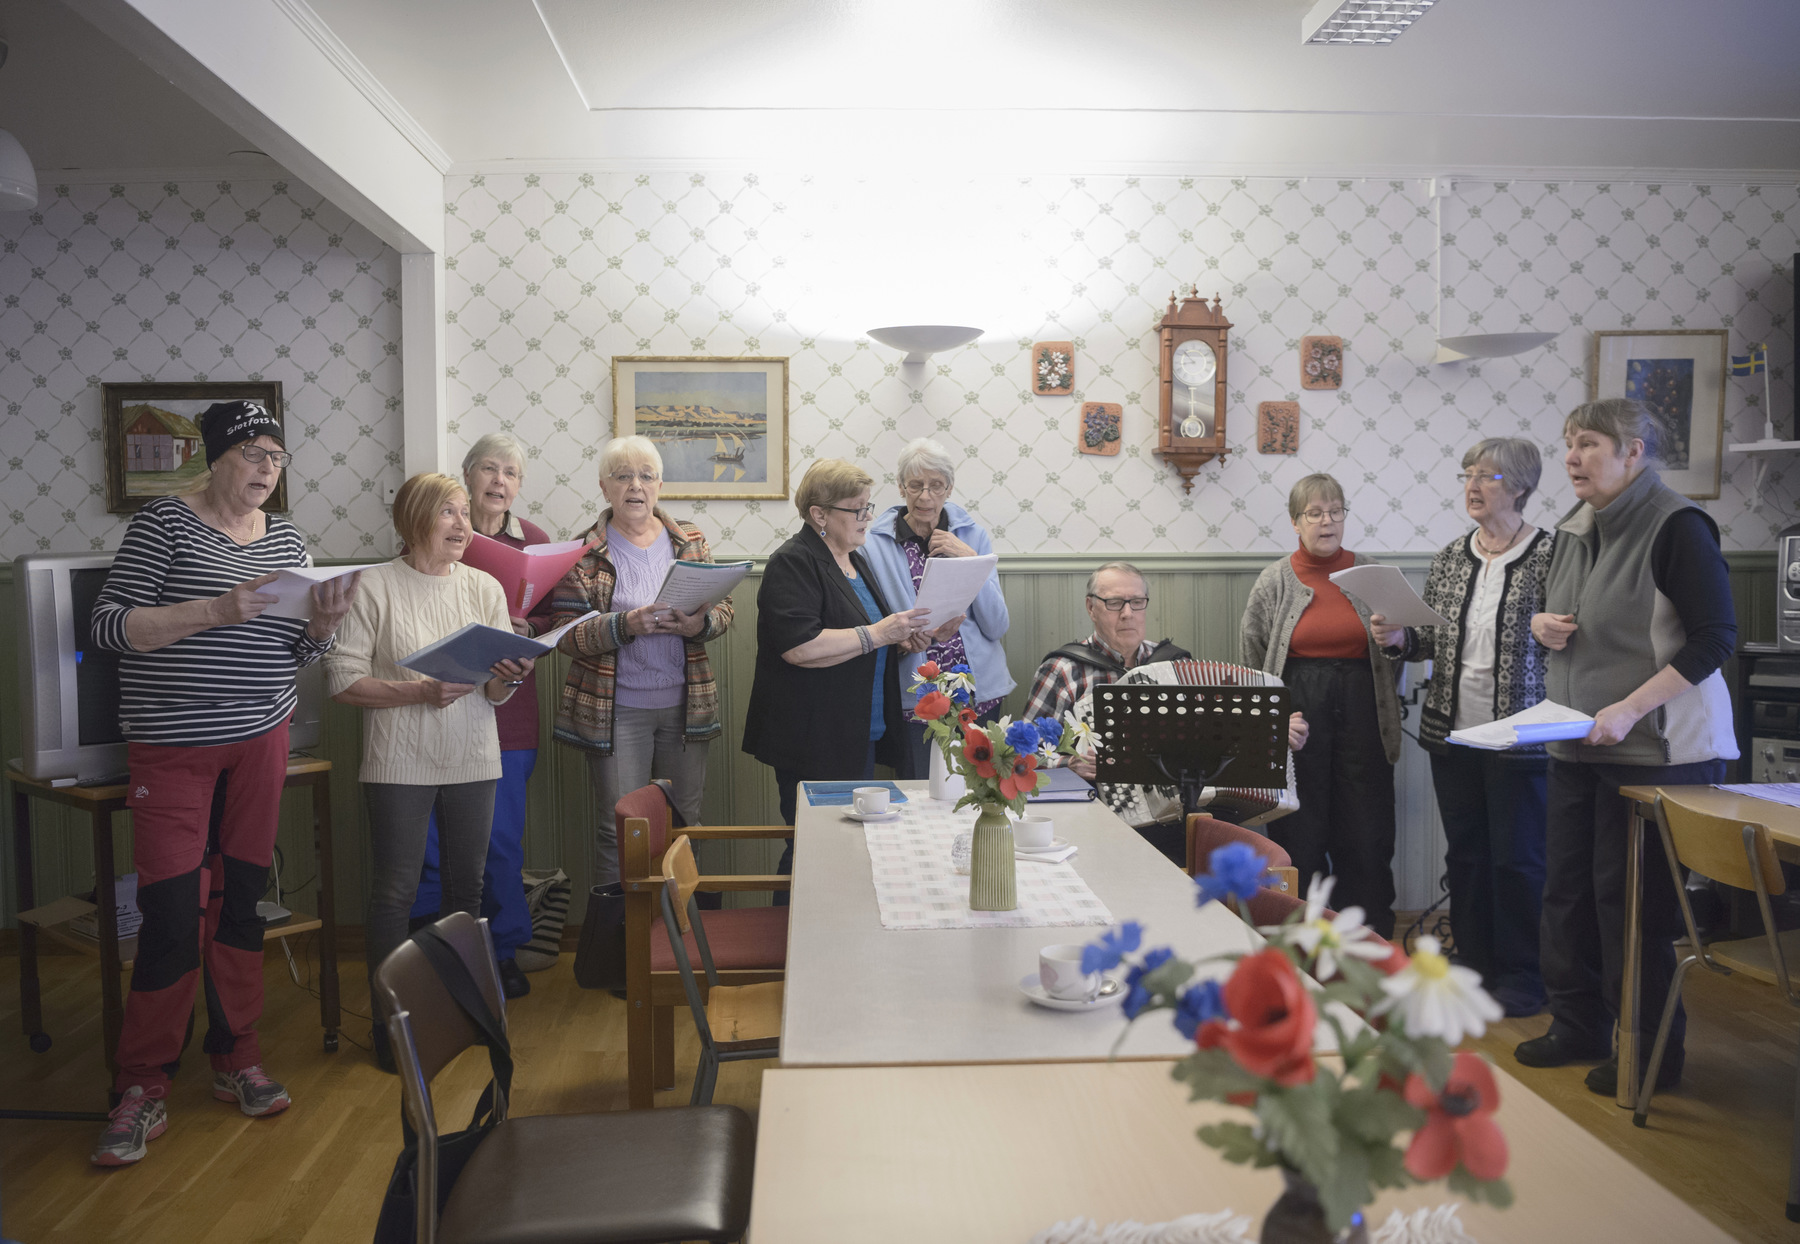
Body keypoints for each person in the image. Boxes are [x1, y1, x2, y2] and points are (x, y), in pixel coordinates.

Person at [87, 399, 359, 1166]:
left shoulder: (288, 539)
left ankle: (236, 1058)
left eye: (277, 458)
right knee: (172, 915)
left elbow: (296, 655)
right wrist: (215, 608)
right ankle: (140, 1086)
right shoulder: (164, 526)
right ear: (216, 460)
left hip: (262, 743)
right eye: (253, 455)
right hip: (173, 748)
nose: (267, 470)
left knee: (241, 906)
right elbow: (109, 627)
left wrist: (320, 626)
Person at [1510, 398, 1736, 1098]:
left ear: (1634, 452)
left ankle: (1649, 1051)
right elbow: (1571, 620)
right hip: (1578, 744)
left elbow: (1714, 639)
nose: (1572, 458)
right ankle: (1576, 1024)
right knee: (1566, 895)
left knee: (1631, 908)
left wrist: (1632, 708)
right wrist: (1542, 625)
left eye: (1588, 444)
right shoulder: (1575, 528)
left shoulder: (1678, 527)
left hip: (1660, 752)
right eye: (1569, 445)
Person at [325, 473, 534, 1071]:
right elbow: (342, 681)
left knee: (466, 892)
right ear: (414, 519)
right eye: (449, 512)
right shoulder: (372, 586)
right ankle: (395, 1028)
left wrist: (508, 677)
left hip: (473, 753)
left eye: (465, 513)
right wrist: (418, 692)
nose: (464, 525)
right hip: (399, 760)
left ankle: (462, 1014)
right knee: (395, 893)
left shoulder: (485, 587)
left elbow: (491, 694)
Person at [1371, 438, 1555, 1016]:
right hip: (1452, 734)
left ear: (1520, 486)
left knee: (1519, 860)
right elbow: (1430, 637)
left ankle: (1526, 974)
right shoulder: (1454, 555)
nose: (1473, 486)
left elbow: (1575, 637)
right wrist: (1401, 639)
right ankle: (1474, 966)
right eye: (1467, 475)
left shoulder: (1554, 555)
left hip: (1521, 737)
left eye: (1487, 476)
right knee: (1468, 858)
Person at [547, 435, 733, 889]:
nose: (636, 485)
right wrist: (626, 624)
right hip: (617, 711)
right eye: (623, 476)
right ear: (604, 487)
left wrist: (698, 626)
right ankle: (623, 951)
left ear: (660, 485)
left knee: (685, 827)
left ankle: (681, 942)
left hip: (685, 709)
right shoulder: (582, 552)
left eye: (646, 476)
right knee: (621, 832)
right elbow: (567, 635)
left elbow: (724, 611)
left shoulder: (690, 540)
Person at [408, 433, 555, 999]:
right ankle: (433, 956)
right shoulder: (439, 528)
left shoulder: (537, 542)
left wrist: (530, 632)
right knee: (433, 843)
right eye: (489, 470)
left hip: (509, 711)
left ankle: (502, 950)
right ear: (467, 476)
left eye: (510, 473)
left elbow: (557, 614)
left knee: (500, 841)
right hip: (438, 704)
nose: (499, 481)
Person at [741, 458, 959, 836]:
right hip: (815, 735)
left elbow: (864, 640)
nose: (867, 517)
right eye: (856, 509)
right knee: (813, 846)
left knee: (852, 845)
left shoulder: (854, 559)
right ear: (818, 514)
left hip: (861, 732)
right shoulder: (793, 561)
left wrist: (904, 640)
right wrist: (880, 633)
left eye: (868, 507)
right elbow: (800, 648)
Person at [1241, 473, 1403, 938]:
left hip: (1365, 712)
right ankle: (1301, 939)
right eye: (1314, 513)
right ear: (1296, 522)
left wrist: (1399, 639)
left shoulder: (1372, 573)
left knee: (1366, 832)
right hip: (1297, 715)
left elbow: (1403, 646)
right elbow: (1252, 660)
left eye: (1335, 511)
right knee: (1301, 831)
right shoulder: (1274, 580)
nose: (1327, 521)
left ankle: (1369, 941)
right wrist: (1271, 718)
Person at [863, 437, 1012, 778]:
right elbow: (872, 619)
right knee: (920, 788)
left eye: (936, 486)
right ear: (901, 489)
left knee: (980, 788)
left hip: (977, 690)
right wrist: (902, 641)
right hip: (917, 693)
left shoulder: (972, 536)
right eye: (915, 486)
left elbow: (997, 625)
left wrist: (972, 560)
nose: (925, 496)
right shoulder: (874, 544)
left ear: (949, 488)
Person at [1020, 561, 1192, 780]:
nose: (1127, 613)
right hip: (1091, 804)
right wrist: (1069, 764)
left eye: (1137, 602)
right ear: (1091, 608)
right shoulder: (1062, 670)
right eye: (1114, 603)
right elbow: (1024, 752)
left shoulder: (1175, 665)